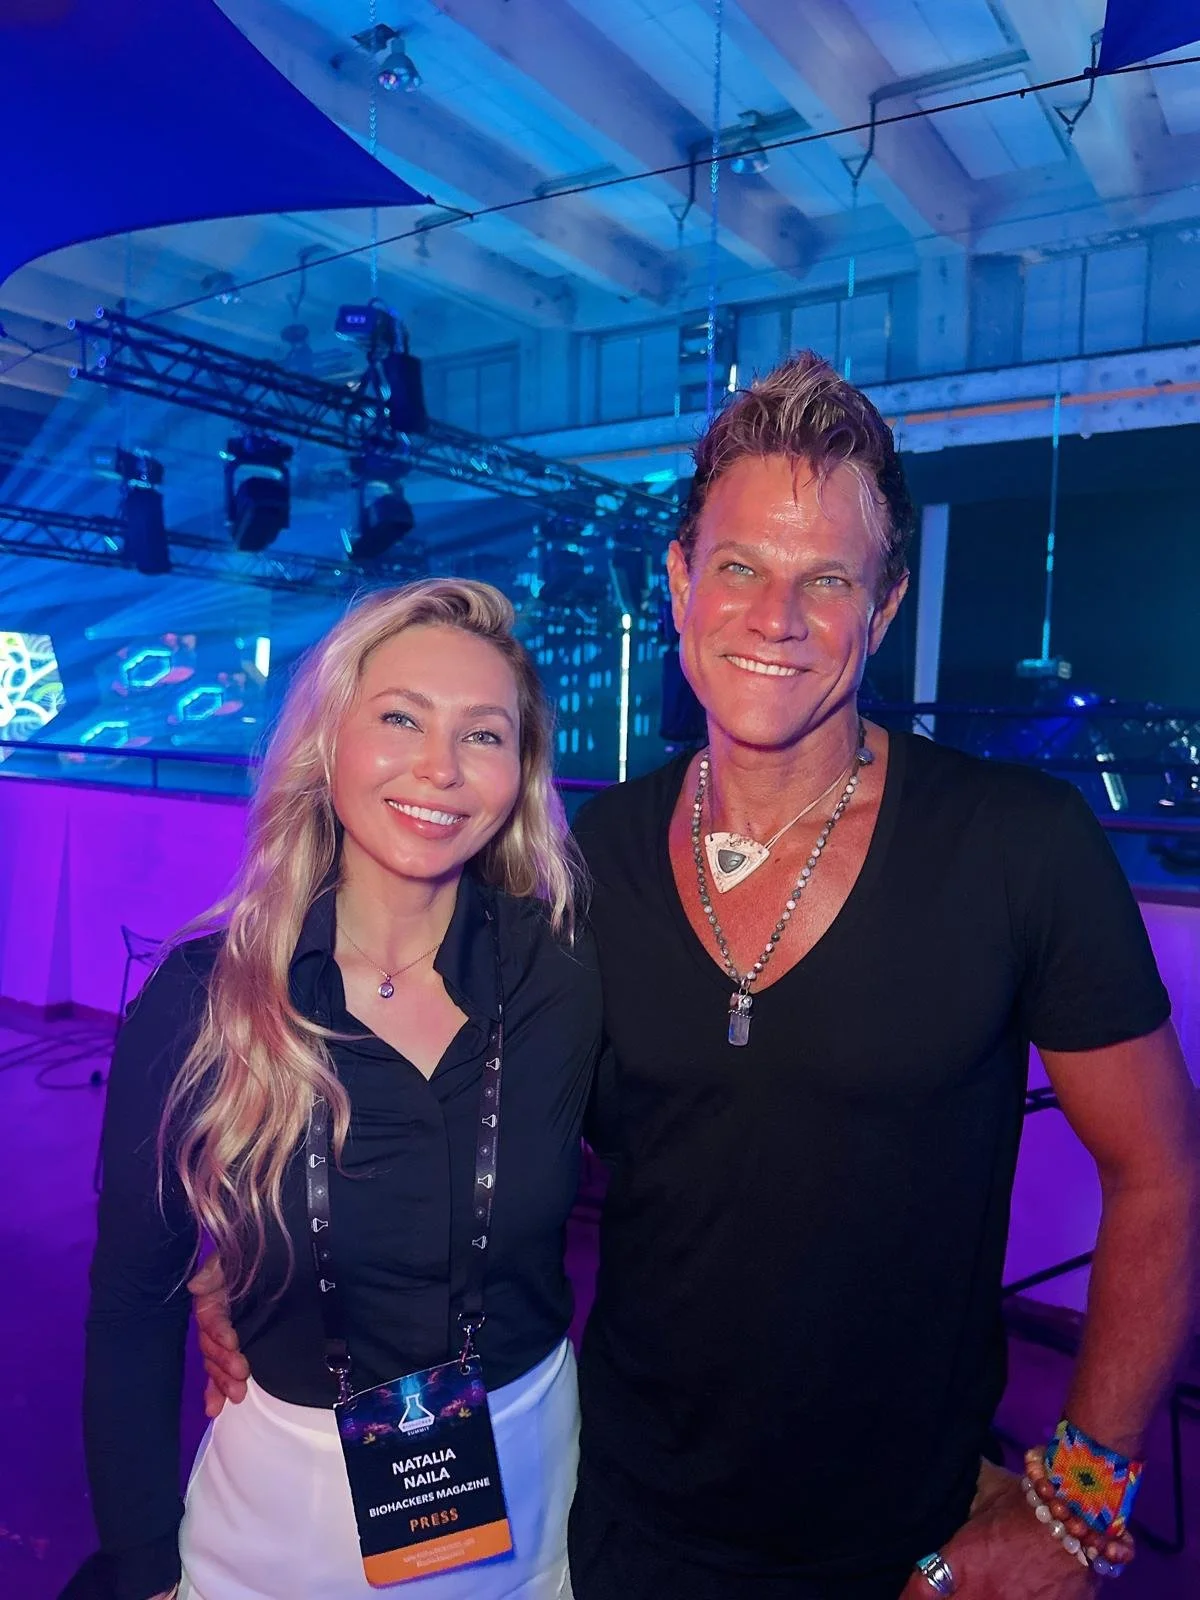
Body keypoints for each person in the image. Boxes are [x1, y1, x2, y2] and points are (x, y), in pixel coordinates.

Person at [197, 354, 1199, 1600]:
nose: (776, 618)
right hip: (622, 1522)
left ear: (884, 606)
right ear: (679, 582)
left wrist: (1079, 1499)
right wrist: (255, 1255)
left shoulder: (1018, 845)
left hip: (906, 1544)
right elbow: (426, 1085)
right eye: (739, 567)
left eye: (826, 578)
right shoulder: (586, 861)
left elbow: (1163, 1172)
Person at [79, 580, 601, 1600]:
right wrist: (143, 1570)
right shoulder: (203, 1001)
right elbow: (131, 1305)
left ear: (521, 772)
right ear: (327, 743)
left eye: (483, 734)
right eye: (400, 718)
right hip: (281, 1531)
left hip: (534, 1507)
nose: (440, 767)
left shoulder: (568, 973)